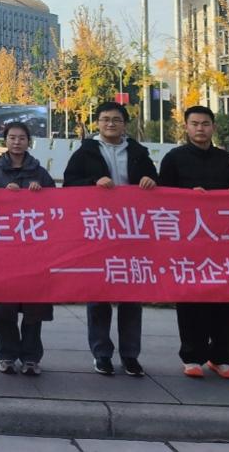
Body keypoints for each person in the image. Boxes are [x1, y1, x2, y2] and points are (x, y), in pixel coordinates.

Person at [63, 100, 157, 378]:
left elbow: (154, 180)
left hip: (132, 231)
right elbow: (69, 184)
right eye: (105, 119)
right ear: (98, 123)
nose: (110, 124)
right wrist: (93, 183)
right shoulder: (85, 152)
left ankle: (130, 355)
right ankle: (101, 354)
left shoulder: (138, 152)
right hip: (99, 231)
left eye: (116, 119)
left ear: (124, 124)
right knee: (98, 295)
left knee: (131, 296)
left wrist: (150, 182)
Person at [157, 105, 229, 380]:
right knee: (191, 298)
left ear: (213, 127)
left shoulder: (225, 159)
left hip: (223, 241)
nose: (200, 129)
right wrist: (187, 196)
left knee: (226, 298)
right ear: (186, 127)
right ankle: (192, 356)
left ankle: (221, 358)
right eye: (194, 124)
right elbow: (161, 196)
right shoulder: (173, 158)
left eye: (205, 124)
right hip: (188, 240)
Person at [0, 120, 55, 376]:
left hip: (33, 250)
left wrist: (40, 192)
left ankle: (31, 358)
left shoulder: (39, 172)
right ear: (5, 141)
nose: (16, 142)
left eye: (21, 138)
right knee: (4, 308)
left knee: (34, 308)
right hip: (3, 250)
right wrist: (1, 193)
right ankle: (7, 355)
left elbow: (56, 205)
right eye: (12, 137)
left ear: (28, 142)